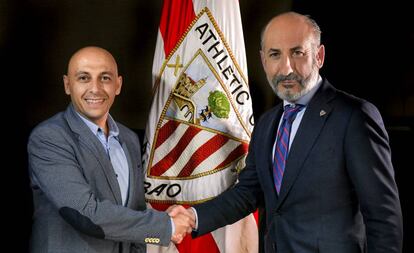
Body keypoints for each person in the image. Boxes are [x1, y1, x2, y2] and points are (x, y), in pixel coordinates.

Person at [169, 12, 403, 253]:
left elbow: (383, 217)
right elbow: (248, 193)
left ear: (319, 56)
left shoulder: (354, 117)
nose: (286, 67)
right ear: (263, 61)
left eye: (297, 52)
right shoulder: (268, 124)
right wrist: (193, 217)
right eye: (275, 55)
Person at [27, 46, 194, 253]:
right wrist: (166, 226)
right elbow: (85, 213)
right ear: (67, 85)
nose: (95, 88)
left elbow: (134, 211)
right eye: (84, 78)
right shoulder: (49, 138)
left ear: (118, 85)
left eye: (105, 78)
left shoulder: (130, 140)